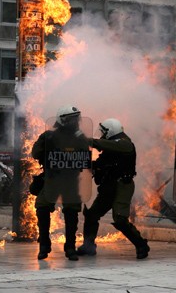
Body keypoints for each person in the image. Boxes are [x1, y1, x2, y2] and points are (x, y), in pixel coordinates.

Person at [76, 118, 150, 259]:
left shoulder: (125, 143)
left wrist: (88, 140)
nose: (102, 135)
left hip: (122, 186)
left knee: (120, 219)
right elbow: (101, 163)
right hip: (108, 187)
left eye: (104, 132)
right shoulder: (110, 147)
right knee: (92, 215)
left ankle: (141, 245)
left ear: (111, 131)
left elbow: (106, 144)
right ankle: (88, 246)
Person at [31, 105, 89, 261]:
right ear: (63, 120)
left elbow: (86, 156)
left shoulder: (79, 137)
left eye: (76, 118)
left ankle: (70, 247)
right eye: (73, 119)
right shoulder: (49, 136)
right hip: (52, 179)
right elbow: (35, 153)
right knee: (42, 208)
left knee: (71, 213)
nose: (76, 122)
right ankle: (44, 245)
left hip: (71, 180)